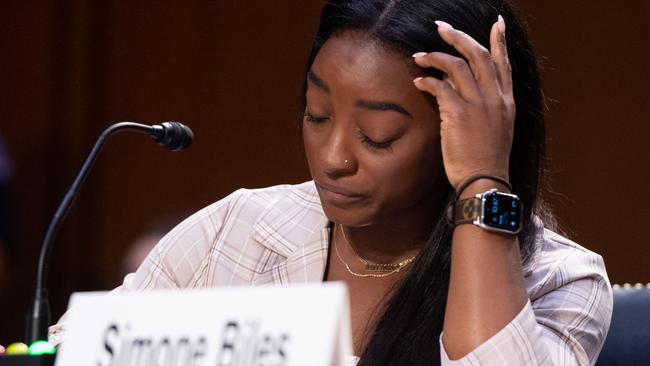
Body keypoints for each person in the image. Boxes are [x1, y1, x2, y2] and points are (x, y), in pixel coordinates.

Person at [49, 0, 612, 364]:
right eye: (317, 116)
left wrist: (485, 180)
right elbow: (74, 348)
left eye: (378, 135)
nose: (334, 157)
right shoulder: (241, 229)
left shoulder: (559, 281)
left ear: (465, 134)